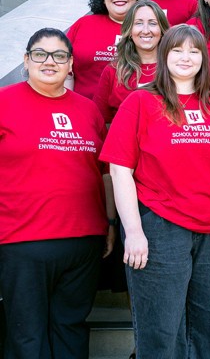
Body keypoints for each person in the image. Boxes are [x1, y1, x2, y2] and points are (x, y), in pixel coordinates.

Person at [100, 24, 210, 358]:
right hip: (161, 226)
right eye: (177, 50)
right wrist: (134, 231)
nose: (186, 57)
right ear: (164, 55)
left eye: (194, 51)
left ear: (204, 58)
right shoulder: (140, 102)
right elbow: (120, 170)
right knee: (161, 327)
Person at [0, 28, 112, 359]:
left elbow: (104, 172)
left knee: (71, 330)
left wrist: (110, 223)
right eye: (40, 54)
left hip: (84, 243)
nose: (50, 62)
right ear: (26, 60)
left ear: (71, 64)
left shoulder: (88, 110)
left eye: (59, 55)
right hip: (22, 241)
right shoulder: (4, 102)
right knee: (27, 335)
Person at [67, 0, 149, 99]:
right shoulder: (83, 24)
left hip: (133, 109)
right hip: (84, 107)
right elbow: (63, 67)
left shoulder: (150, 29)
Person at [94, 0, 170, 123]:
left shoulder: (174, 68)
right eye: (139, 23)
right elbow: (101, 121)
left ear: (162, 30)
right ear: (129, 31)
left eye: (152, 23)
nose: (146, 30)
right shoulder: (113, 71)